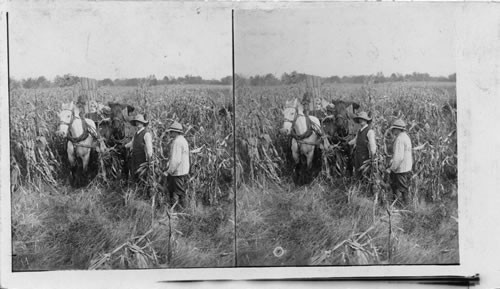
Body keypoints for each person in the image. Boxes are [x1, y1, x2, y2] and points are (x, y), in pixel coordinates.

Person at [386, 119, 413, 208]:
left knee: (400, 189)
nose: (393, 131)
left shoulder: (399, 139)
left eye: (394, 129)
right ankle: (405, 206)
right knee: (404, 188)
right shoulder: (406, 137)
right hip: (407, 167)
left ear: (398, 129)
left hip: (401, 168)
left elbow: (399, 157)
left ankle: (403, 207)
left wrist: (391, 168)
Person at [165, 121, 190, 210]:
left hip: (177, 172)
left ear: (176, 132)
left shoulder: (177, 142)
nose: (170, 133)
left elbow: (176, 160)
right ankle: (180, 210)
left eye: (171, 131)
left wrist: (169, 171)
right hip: (183, 171)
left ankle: (183, 211)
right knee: (179, 191)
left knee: (179, 192)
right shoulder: (183, 140)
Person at [125, 114, 153, 182]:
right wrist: (124, 146)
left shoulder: (146, 134)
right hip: (135, 159)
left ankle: (142, 191)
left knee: (142, 178)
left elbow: (149, 149)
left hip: (142, 160)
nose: (138, 123)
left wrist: (149, 161)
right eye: (137, 122)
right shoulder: (136, 134)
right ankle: (136, 191)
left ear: (143, 123)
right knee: (135, 176)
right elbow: (132, 143)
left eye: (139, 122)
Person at [349, 111, 377, 180]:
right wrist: (347, 143)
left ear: (366, 120)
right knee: (358, 172)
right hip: (357, 155)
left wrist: (373, 157)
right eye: (360, 119)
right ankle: (359, 188)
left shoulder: (369, 131)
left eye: (363, 119)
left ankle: (365, 189)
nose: (361, 120)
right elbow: (356, 140)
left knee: (365, 174)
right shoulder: (359, 131)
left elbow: (373, 145)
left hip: (365, 157)